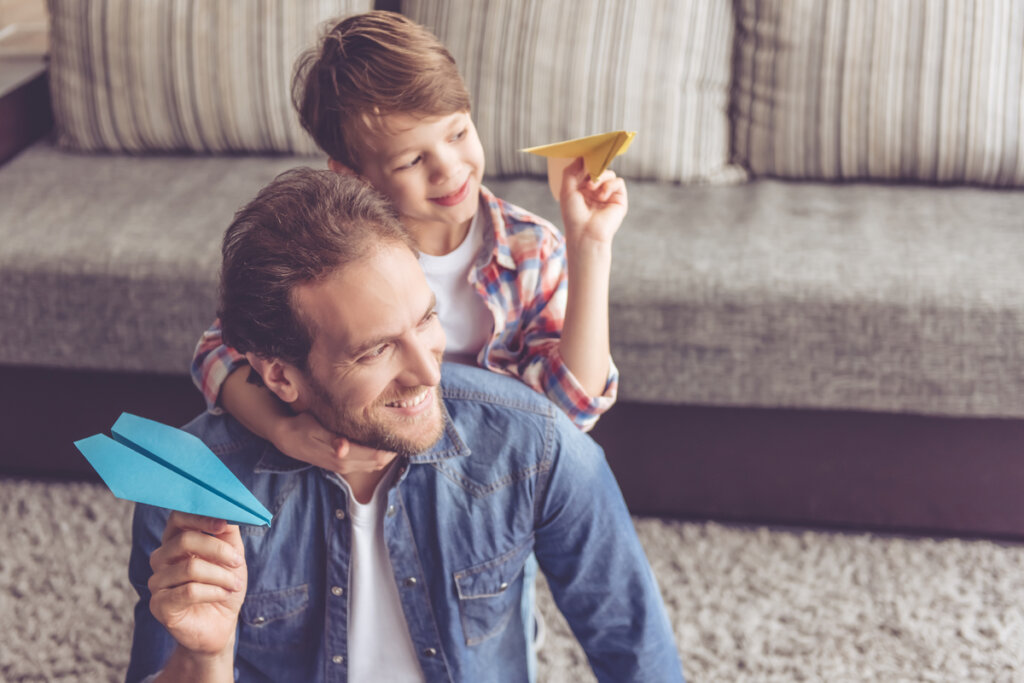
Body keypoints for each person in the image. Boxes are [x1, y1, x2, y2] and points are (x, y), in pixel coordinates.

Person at [126, 169, 684, 683]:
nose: (428, 372)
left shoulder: (532, 443)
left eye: (427, 318)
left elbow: (638, 656)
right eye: (376, 350)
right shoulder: (193, 487)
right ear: (280, 376)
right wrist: (204, 659)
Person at [190, 10, 626, 478]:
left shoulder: (530, 249)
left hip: (485, 472)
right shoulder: (333, 255)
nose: (448, 168)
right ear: (353, 175)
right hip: (366, 458)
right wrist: (282, 430)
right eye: (412, 160)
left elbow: (570, 410)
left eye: (458, 133)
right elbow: (219, 351)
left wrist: (590, 246)